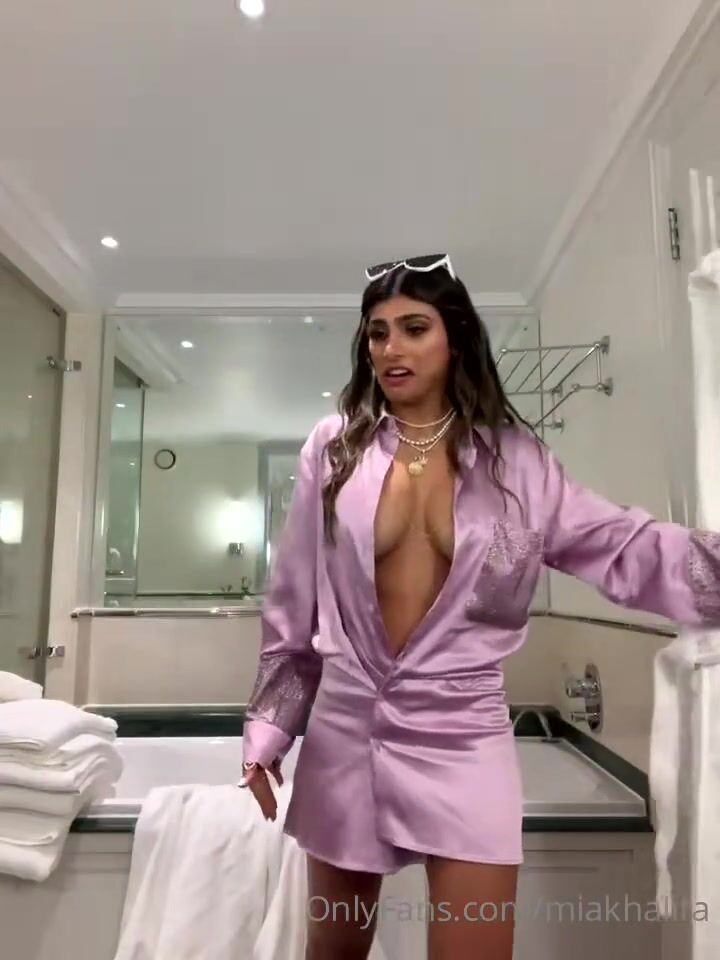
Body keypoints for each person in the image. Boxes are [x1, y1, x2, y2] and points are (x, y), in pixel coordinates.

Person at [240, 254, 720, 960]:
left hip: (463, 732)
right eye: (377, 333)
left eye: (414, 328)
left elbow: (620, 545)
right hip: (348, 726)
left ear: (455, 337)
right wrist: (268, 732)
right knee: (333, 950)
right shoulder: (334, 448)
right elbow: (293, 601)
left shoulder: (517, 463)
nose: (391, 348)